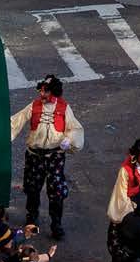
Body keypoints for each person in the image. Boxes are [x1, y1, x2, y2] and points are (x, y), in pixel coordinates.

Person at [10, 74, 85, 241]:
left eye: (45, 91)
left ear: (53, 92)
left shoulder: (64, 108)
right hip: (34, 155)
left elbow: (75, 128)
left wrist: (69, 140)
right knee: (32, 187)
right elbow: (16, 121)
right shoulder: (33, 106)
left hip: (54, 156)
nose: (41, 94)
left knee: (56, 191)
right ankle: (32, 217)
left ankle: (56, 224)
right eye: (41, 90)